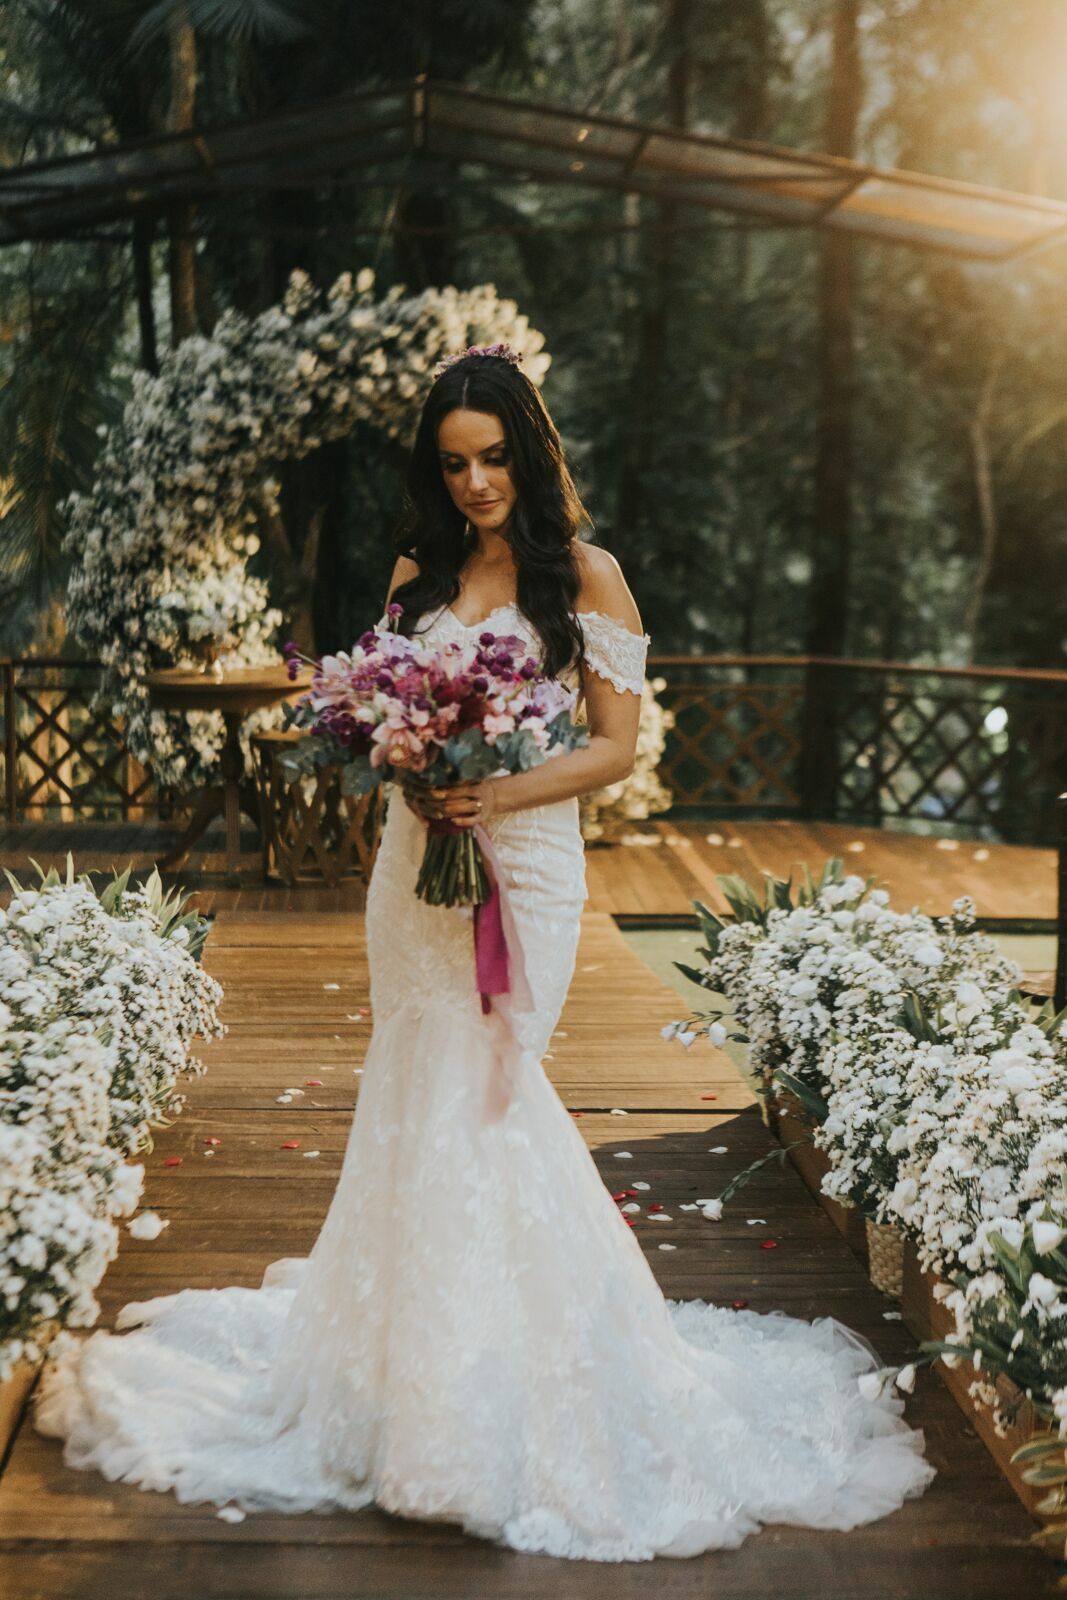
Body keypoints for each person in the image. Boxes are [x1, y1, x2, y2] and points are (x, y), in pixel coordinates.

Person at [33, 344, 934, 1562]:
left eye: (494, 456)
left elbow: (613, 747)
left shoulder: (589, 578)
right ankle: (408, 1379)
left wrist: (495, 794)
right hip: (416, 872)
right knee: (418, 1086)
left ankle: (489, 1389)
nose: (474, 483)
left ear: (529, 448)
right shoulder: (422, 568)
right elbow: (375, 705)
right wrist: (405, 756)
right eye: (454, 462)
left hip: (528, 866)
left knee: (493, 1092)